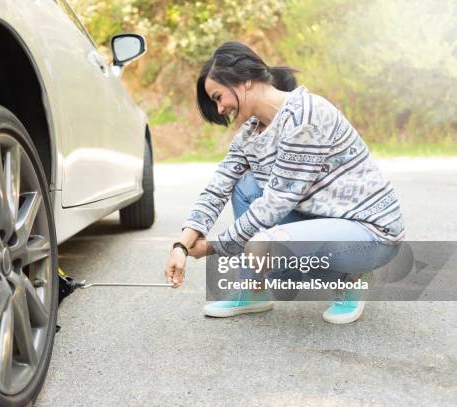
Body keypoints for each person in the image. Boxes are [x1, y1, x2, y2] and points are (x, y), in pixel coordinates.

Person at [164, 41, 405, 324]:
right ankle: (254, 290)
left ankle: (352, 276)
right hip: (320, 222)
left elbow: (275, 203)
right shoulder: (250, 134)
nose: (220, 109)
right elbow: (217, 188)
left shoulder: (306, 117)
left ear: (244, 81)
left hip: (369, 232)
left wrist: (213, 247)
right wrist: (181, 246)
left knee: (265, 243)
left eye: (219, 97)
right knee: (245, 184)